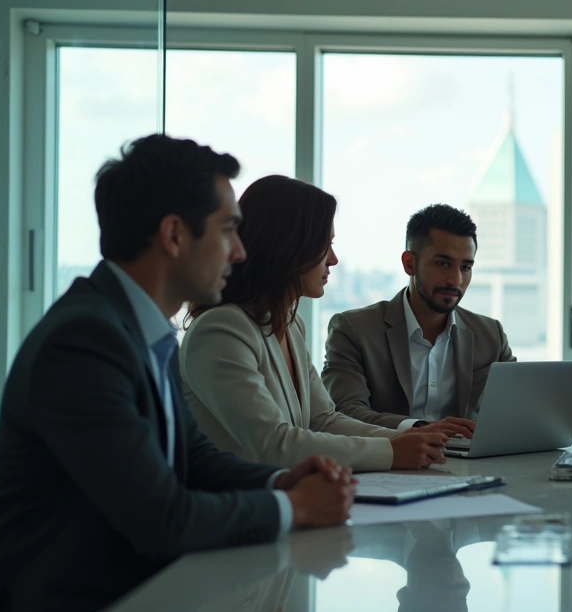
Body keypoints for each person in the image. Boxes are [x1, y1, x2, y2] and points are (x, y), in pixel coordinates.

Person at [0, 135, 355, 612]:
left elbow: (194, 457)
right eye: (228, 230)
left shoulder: (140, 328)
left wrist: (281, 481)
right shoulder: (83, 342)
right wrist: (297, 507)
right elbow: (163, 518)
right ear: (174, 235)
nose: (240, 252)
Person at [181, 175, 449, 472]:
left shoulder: (290, 326)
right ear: (289, 246)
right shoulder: (221, 330)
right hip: (240, 508)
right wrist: (391, 451)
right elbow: (274, 444)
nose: (333, 260)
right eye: (325, 245)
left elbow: (323, 420)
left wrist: (408, 438)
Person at [322, 204, 513, 431]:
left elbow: (519, 406)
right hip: (387, 461)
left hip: (471, 464)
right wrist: (419, 429)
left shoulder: (491, 335)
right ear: (409, 263)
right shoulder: (354, 330)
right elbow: (345, 411)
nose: (456, 279)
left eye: (466, 267)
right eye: (443, 263)